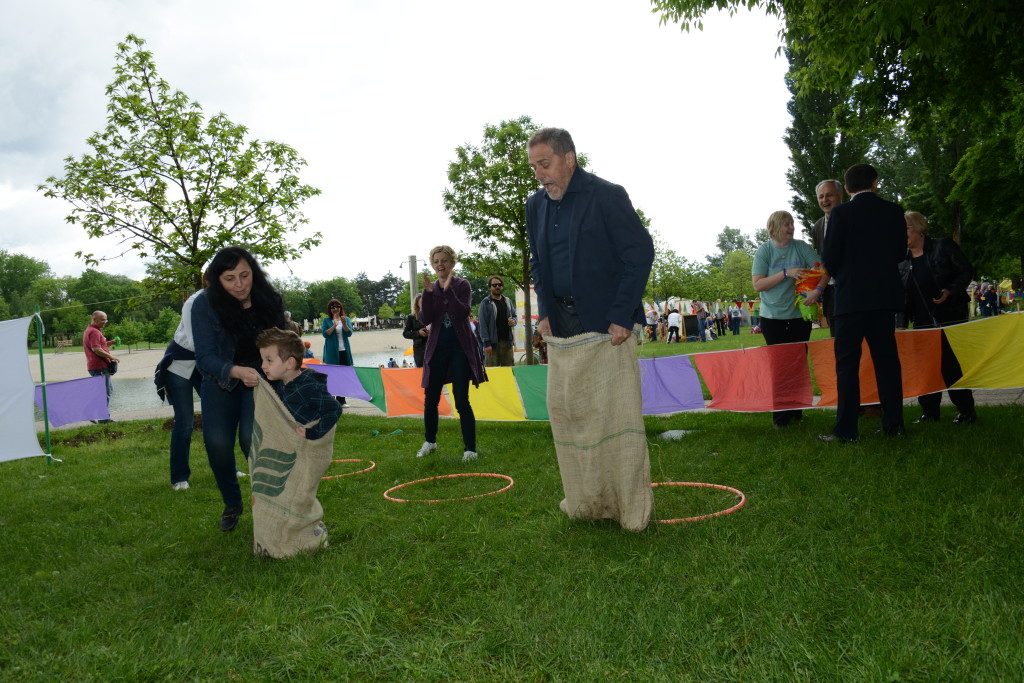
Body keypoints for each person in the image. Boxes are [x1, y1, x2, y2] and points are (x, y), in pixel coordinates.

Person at [526, 127, 654, 532]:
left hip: (606, 324)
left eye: (544, 165)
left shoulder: (607, 196)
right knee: (572, 415)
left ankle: (628, 508)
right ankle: (586, 501)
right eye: (534, 168)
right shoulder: (535, 206)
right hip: (560, 324)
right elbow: (539, 264)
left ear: (569, 159)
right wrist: (544, 309)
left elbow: (639, 253)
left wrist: (621, 313)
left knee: (613, 415)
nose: (539, 176)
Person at [192, 246, 287, 532]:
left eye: (245, 275)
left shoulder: (269, 299)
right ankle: (232, 503)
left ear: (253, 273)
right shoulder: (203, 304)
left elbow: (281, 344)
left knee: (252, 439)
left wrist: (279, 366)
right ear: (216, 280)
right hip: (220, 378)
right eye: (230, 278)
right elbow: (205, 357)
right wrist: (234, 371)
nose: (240, 284)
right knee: (217, 444)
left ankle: (269, 504)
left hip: (262, 379)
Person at [820, 164, 906, 443]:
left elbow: (830, 258)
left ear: (846, 189)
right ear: (875, 183)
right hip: (883, 297)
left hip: (851, 299)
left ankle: (846, 430)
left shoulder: (840, 213)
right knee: (887, 363)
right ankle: (894, 425)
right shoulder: (894, 211)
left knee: (847, 365)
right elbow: (899, 252)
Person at [752, 210, 828, 428]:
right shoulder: (764, 251)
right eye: (787, 224)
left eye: (792, 223)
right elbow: (758, 285)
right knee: (779, 367)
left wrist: (818, 291)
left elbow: (824, 270)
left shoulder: (801, 247)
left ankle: (797, 411)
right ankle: (781, 416)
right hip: (772, 318)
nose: (791, 228)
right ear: (775, 227)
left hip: (798, 317)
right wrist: (786, 273)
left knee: (797, 364)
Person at [899, 211, 977, 424]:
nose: (900, 233)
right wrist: (901, 324)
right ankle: (930, 412)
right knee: (925, 369)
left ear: (919, 228)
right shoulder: (902, 261)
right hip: (922, 323)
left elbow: (965, 271)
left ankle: (966, 411)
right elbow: (902, 296)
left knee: (951, 367)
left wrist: (950, 290)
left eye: (904, 227)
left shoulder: (943, 246)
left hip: (949, 318)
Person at [417, 245, 487, 462]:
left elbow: (463, 312)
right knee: (430, 399)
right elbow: (424, 319)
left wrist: (447, 290)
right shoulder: (429, 289)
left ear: (452, 264)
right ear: (432, 264)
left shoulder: (462, 285)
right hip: (437, 349)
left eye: (444, 260)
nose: (440, 265)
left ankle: (470, 449)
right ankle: (430, 441)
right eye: (436, 261)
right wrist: (428, 294)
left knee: (461, 399)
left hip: (460, 349)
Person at [155, 289, 203, 490]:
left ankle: (228, 469)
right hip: (178, 366)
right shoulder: (193, 302)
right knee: (184, 422)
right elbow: (194, 342)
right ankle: (179, 477)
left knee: (218, 420)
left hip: (204, 365)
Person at [256, 328, 342, 440]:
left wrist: (313, 432)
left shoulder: (309, 387)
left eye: (269, 360)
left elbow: (334, 409)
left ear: (290, 363)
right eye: (262, 360)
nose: (263, 366)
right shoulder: (280, 384)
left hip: (308, 448)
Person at [811, 179, 844, 335]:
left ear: (840, 195)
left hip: (853, 287)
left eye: (829, 195)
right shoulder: (817, 227)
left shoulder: (853, 219)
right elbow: (821, 259)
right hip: (830, 291)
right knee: (836, 338)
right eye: (821, 196)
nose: (825, 200)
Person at [84, 310, 119, 423]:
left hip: (96, 367)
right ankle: (103, 419)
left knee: (107, 391)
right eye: (102, 320)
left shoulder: (91, 330)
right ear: (94, 319)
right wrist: (111, 357)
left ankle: (89, 411)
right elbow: (96, 349)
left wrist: (111, 342)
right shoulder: (94, 332)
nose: (105, 322)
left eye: (106, 319)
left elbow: (99, 345)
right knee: (104, 393)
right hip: (99, 367)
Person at [478, 275, 517, 366]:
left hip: (507, 343)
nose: (497, 287)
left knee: (508, 373)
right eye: (494, 285)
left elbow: (514, 315)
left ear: (502, 286)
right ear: (490, 287)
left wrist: (514, 321)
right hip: (492, 345)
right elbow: (482, 324)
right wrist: (486, 343)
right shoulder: (485, 303)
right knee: (492, 374)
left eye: (499, 285)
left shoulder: (507, 301)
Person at [402, 293, 428, 368]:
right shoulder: (411, 317)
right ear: (417, 304)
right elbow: (405, 333)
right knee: (420, 371)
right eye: (421, 303)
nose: (423, 304)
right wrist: (418, 333)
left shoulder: (432, 315)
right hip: (419, 350)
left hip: (432, 346)